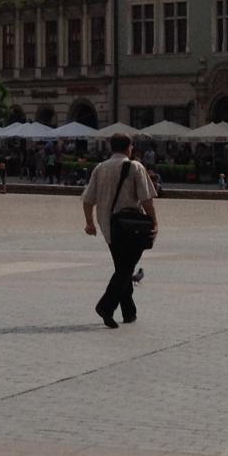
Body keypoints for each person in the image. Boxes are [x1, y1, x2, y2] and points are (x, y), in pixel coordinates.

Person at [81, 133, 158, 329]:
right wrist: (154, 222)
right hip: (131, 227)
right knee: (125, 269)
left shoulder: (100, 168)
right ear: (128, 148)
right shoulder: (135, 166)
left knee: (123, 267)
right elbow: (146, 197)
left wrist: (90, 223)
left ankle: (129, 311)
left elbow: (88, 199)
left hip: (109, 226)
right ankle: (105, 306)